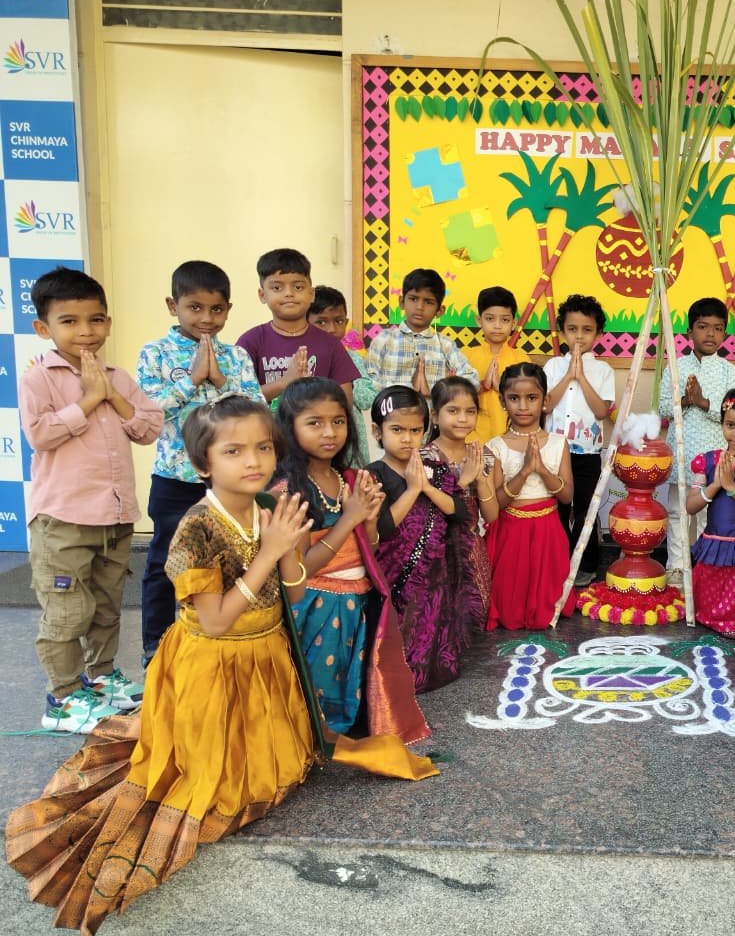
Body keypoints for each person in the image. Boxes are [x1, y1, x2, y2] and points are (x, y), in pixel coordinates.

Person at [6, 395, 435, 935]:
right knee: (207, 782)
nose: (252, 460)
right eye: (233, 451)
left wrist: (317, 535)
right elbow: (214, 621)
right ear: (204, 464)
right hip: (212, 665)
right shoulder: (196, 529)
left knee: (270, 769)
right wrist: (270, 552)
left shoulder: (267, 512)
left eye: (261, 447)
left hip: (266, 656)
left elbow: (295, 592)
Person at [19, 268, 163, 731]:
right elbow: (40, 434)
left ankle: (100, 680)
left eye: (96, 320)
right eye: (70, 321)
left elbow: (148, 427)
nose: (85, 331)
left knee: (105, 604)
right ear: (44, 328)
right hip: (62, 518)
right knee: (67, 611)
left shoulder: (118, 377)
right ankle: (61, 699)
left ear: (108, 323)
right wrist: (86, 402)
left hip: (115, 515)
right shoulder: (39, 378)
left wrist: (107, 394)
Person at [273, 378, 427, 741]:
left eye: (339, 421)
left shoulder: (351, 477)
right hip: (314, 605)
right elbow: (301, 569)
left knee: (349, 682)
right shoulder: (288, 490)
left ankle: (335, 741)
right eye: (315, 423)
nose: (330, 432)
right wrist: (351, 518)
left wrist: (369, 519)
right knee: (316, 686)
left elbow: (368, 547)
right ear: (289, 427)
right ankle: (310, 745)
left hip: (356, 601)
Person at [136, 259, 263, 668]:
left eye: (217, 310)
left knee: (229, 563)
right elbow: (149, 412)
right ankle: (156, 647)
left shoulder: (237, 355)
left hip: (230, 485)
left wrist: (222, 382)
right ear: (173, 305)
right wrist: (191, 381)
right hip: (175, 480)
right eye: (195, 308)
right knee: (163, 563)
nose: (206, 319)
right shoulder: (154, 353)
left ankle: (223, 637)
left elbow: (258, 411)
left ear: (228, 309)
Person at [368, 385, 483, 691]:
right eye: (397, 429)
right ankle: (398, 681)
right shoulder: (372, 475)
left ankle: (430, 673)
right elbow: (381, 528)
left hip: (435, 571)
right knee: (400, 627)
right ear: (377, 432)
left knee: (432, 625)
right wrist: (411, 490)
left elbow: (459, 512)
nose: (407, 438)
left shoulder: (433, 468)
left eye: (416, 430)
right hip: (394, 574)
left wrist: (428, 488)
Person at [486, 362, 576, 629]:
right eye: (514, 398)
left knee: (545, 605)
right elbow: (497, 503)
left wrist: (542, 471)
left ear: (545, 401)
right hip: (510, 532)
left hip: (547, 532)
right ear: (503, 401)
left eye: (532, 398)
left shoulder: (559, 443)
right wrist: (525, 471)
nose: (523, 406)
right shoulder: (496, 446)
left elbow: (567, 496)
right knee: (510, 602)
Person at [658, 297, 735, 576]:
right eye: (703, 327)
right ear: (689, 333)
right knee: (677, 512)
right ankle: (677, 569)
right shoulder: (677, 366)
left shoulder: (730, 371)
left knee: (711, 513)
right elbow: (663, 407)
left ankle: (706, 568)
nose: (710, 334)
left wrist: (704, 402)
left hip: (715, 458)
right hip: (681, 455)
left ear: (725, 335)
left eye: (718, 328)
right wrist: (686, 399)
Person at [543, 294, 616, 587]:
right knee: (557, 508)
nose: (579, 336)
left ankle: (586, 564)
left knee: (586, 509)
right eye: (572, 329)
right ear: (563, 331)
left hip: (587, 452)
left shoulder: (603, 370)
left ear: (598, 334)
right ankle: (558, 563)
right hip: (554, 452)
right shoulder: (552, 367)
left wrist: (582, 377)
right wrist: (568, 375)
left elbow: (602, 410)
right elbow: (546, 405)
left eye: (586, 330)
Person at [685, 387, 735, 637]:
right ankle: (710, 620)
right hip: (713, 544)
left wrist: (730, 487)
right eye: (730, 425)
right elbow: (690, 505)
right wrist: (716, 483)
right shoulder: (707, 461)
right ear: (721, 423)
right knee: (708, 600)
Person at [235, 248, 357, 404]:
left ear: (311, 294)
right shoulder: (250, 341)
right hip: (266, 428)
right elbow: (237, 399)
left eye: (298, 287)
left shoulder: (331, 344)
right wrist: (283, 383)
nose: (289, 293)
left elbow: (344, 401)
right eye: (277, 288)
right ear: (262, 295)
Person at [427, 376, 497, 615]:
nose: (463, 418)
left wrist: (481, 480)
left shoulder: (484, 455)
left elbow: (491, 514)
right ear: (435, 416)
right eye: (453, 410)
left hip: (470, 548)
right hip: (434, 550)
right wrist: (462, 480)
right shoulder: (423, 458)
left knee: (475, 612)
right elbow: (426, 514)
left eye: (470, 411)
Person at [366, 267, 480, 394]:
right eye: (413, 299)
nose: (420, 307)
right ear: (402, 302)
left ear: (440, 311)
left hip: (431, 413)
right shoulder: (384, 340)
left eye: (428, 302)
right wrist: (407, 389)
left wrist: (435, 391)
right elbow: (369, 382)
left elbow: (473, 381)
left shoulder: (446, 345)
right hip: (391, 412)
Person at [308, 284, 377, 465]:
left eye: (338, 321)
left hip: (350, 440)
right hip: (316, 438)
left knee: (352, 481)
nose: (331, 329)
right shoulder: (302, 359)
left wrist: (346, 379)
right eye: (321, 322)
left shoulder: (352, 358)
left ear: (346, 323)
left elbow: (367, 399)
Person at [463, 285, 530, 443]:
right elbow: (455, 395)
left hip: (510, 439)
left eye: (504, 320)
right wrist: (483, 385)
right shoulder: (466, 356)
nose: (497, 325)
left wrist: (502, 386)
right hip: (471, 439)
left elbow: (528, 398)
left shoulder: (521, 358)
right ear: (479, 321)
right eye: (490, 318)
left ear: (513, 323)